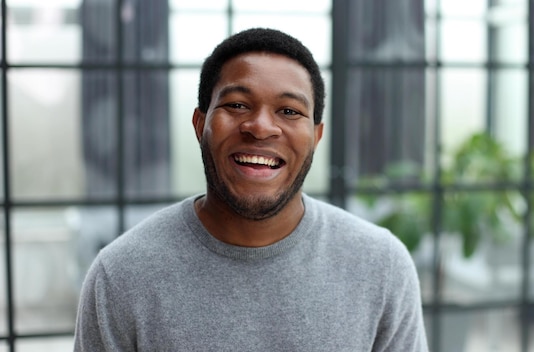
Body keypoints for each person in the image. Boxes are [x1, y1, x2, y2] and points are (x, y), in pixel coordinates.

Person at [74, 27, 429, 351]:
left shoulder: (380, 266)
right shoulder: (121, 275)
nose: (260, 127)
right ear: (201, 124)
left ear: (316, 137)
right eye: (237, 105)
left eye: (289, 111)